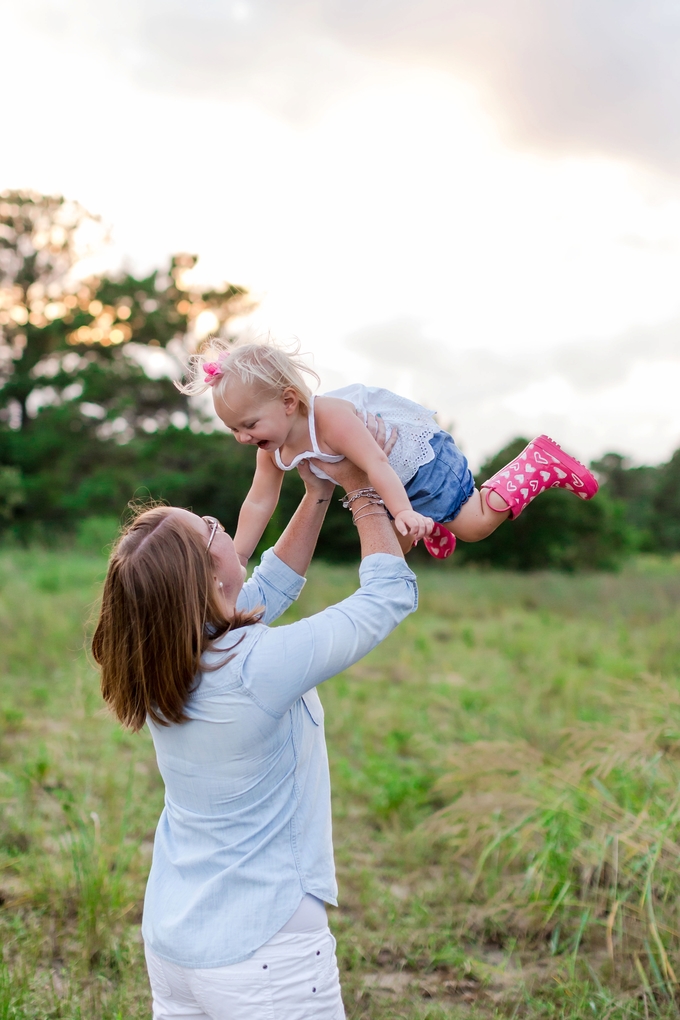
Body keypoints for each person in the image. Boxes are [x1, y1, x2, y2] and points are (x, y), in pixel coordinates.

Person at [92, 439, 417, 1020]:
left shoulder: (163, 653)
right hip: (264, 953)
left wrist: (317, 494)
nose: (222, 527)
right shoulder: (257, 667)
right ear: (210, 573)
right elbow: (387, 597)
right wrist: (365, 488)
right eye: (212, 528)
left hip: (176, 942)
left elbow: (267, 588)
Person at [181, 337, 598, 562]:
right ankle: (431, 525)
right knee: (389, 556)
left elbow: (377, 463)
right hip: (387, 486)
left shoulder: (331, 418)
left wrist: (402, 511)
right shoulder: (270, 449)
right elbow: (259, 501)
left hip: (419, 466)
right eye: (234, 429)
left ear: (289, 401)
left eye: (249, 425)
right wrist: (237, 555)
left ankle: (537, 462)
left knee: (475, 526)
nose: (243, 437)